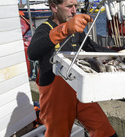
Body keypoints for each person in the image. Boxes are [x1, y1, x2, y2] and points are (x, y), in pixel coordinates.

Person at [27, 0, 118, 136]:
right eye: (69, 6)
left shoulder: (76, 31)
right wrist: (64, 29)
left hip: (78, 90)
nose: (74, 10)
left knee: (105, 130)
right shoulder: (45, 29)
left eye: (76, 6)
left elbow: (92, 47)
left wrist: (118, 55)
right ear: (54, 7)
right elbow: (32, 52)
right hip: (55, 98)